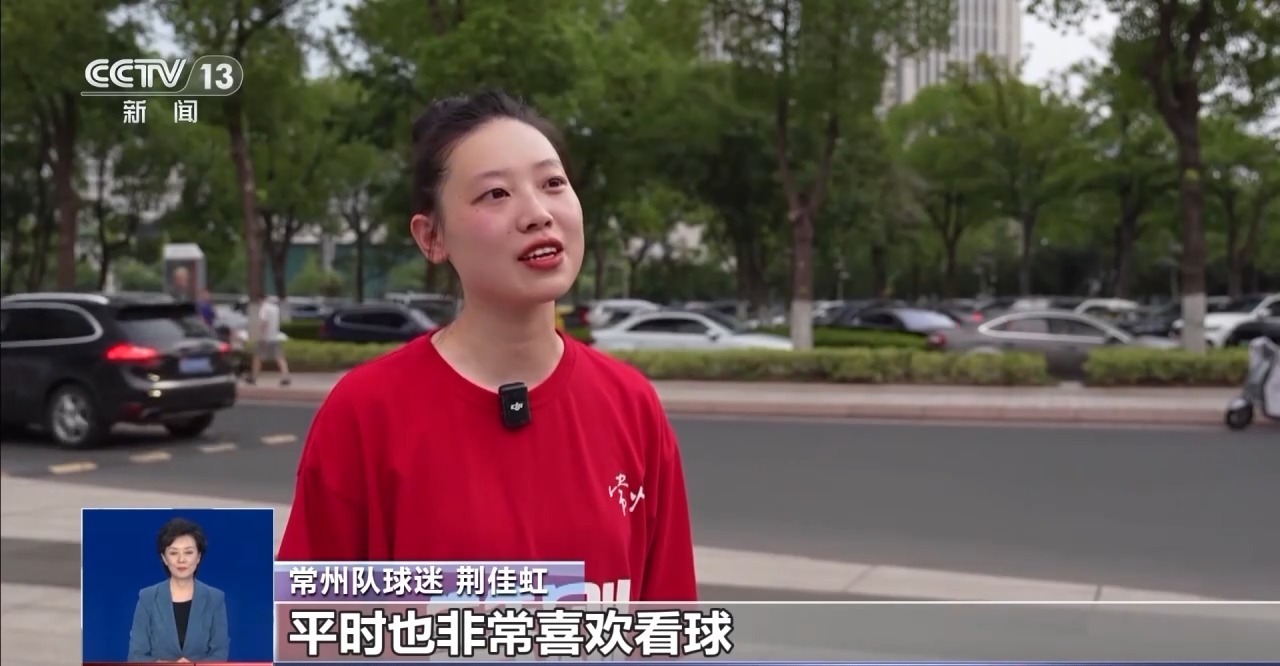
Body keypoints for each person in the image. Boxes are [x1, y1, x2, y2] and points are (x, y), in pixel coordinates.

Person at [277, 90, 698, 602]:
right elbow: (307, 623)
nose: (537, 213)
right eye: (496, 194)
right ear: (432, 237)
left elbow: (667, 618)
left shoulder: (631, 404)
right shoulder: (366, 412)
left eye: (553, 183)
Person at [128, 518, 229, 663]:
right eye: (174, 553)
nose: (181, 560)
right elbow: (135, 656)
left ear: (199, 556)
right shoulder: (147, 598)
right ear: (164, 558)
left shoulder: (215, 598)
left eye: (188, 552)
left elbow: (220, 654)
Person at [247, 295, 290, 387]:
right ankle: (285, 377)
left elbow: (264, 322)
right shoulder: (275, 308)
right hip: (275, 336)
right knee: (279, 357)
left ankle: (253, 377)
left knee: (257, 357)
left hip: (265, 337)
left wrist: (260, 334)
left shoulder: (264, 308)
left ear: (261, 300)